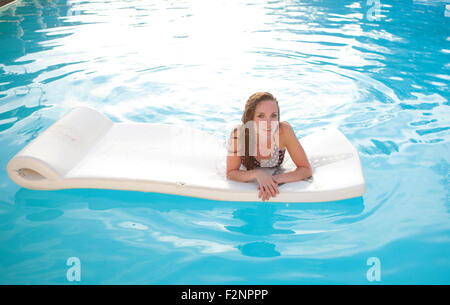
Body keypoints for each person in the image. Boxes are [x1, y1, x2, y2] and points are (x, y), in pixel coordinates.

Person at [226, 92, 312, 201]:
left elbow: (306, 169)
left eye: (273, 116)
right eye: (261, 116)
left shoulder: (284, 131)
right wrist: (257, 174)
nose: (269, 122)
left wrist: (274, 179)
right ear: (250, 119)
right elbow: (231, 172)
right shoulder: (238, 134)